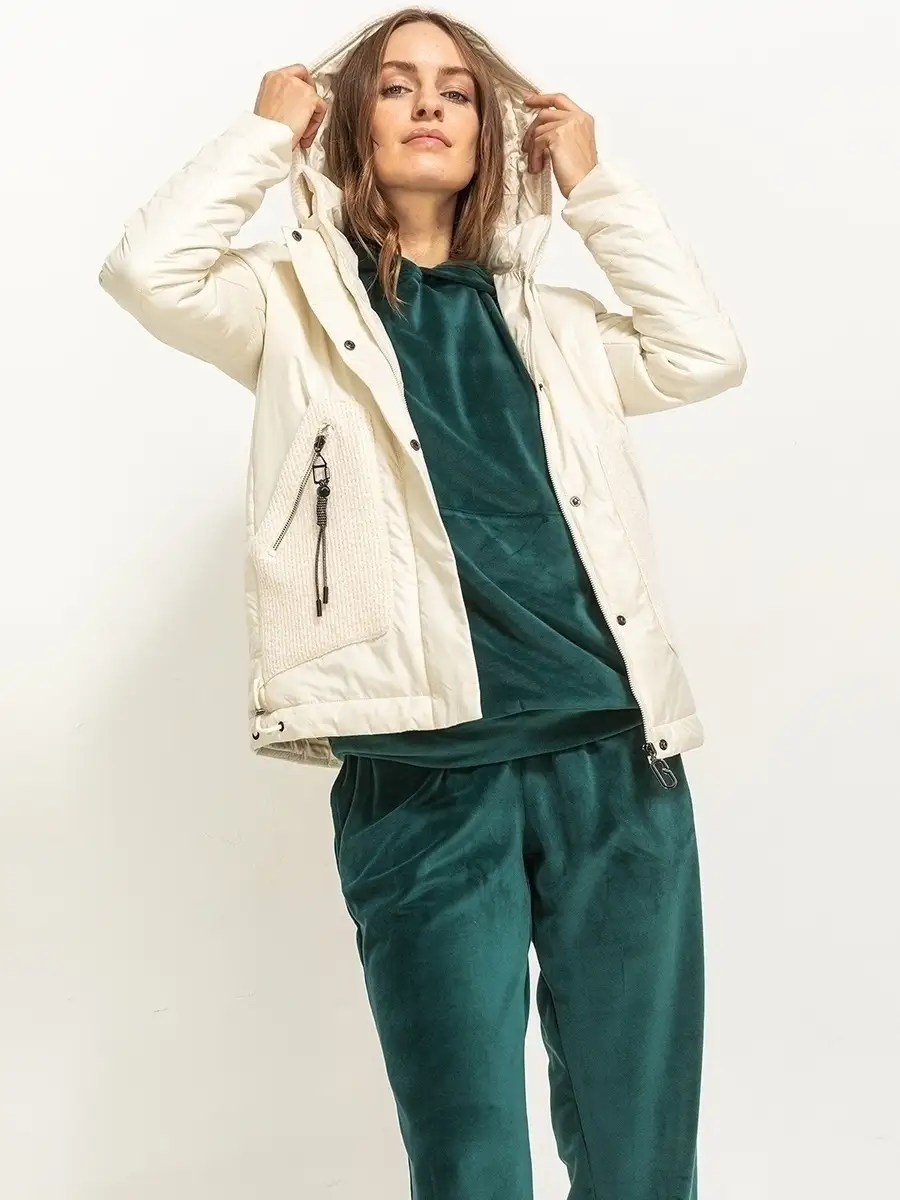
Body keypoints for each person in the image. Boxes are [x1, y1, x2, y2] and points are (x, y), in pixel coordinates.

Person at [98, 8, 746, 1198]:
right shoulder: (287, 308)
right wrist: (264, 133)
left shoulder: (551, 320)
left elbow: (702, 354)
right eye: (397, 86)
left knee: (643, 1151)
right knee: (468, 1155)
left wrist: (594, 186)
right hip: (423, 772)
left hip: (617, 760)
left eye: (457, 89)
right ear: (352, 123)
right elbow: (148, 272)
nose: (431, 104)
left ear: (495, 132)